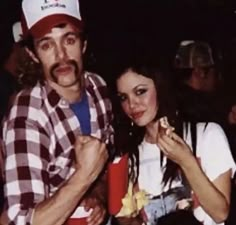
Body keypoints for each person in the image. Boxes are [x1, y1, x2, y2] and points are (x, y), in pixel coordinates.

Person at [0, 0, 114, 225]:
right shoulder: (27, 114)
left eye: (69, 40)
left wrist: (97, 195)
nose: (61, 55)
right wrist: (84, 177)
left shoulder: (98, 87)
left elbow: (105, 163)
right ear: (33, 55)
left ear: (83, 43)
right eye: (46, 45)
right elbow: (20, 221)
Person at [111, 53, 236, 225]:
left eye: (140, 92)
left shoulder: (207, 135)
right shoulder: (128, 154)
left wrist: (186, 160)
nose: (132, 105)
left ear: (160, 88)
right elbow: (124, 215)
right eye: (123, 97)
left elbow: (220, 213)